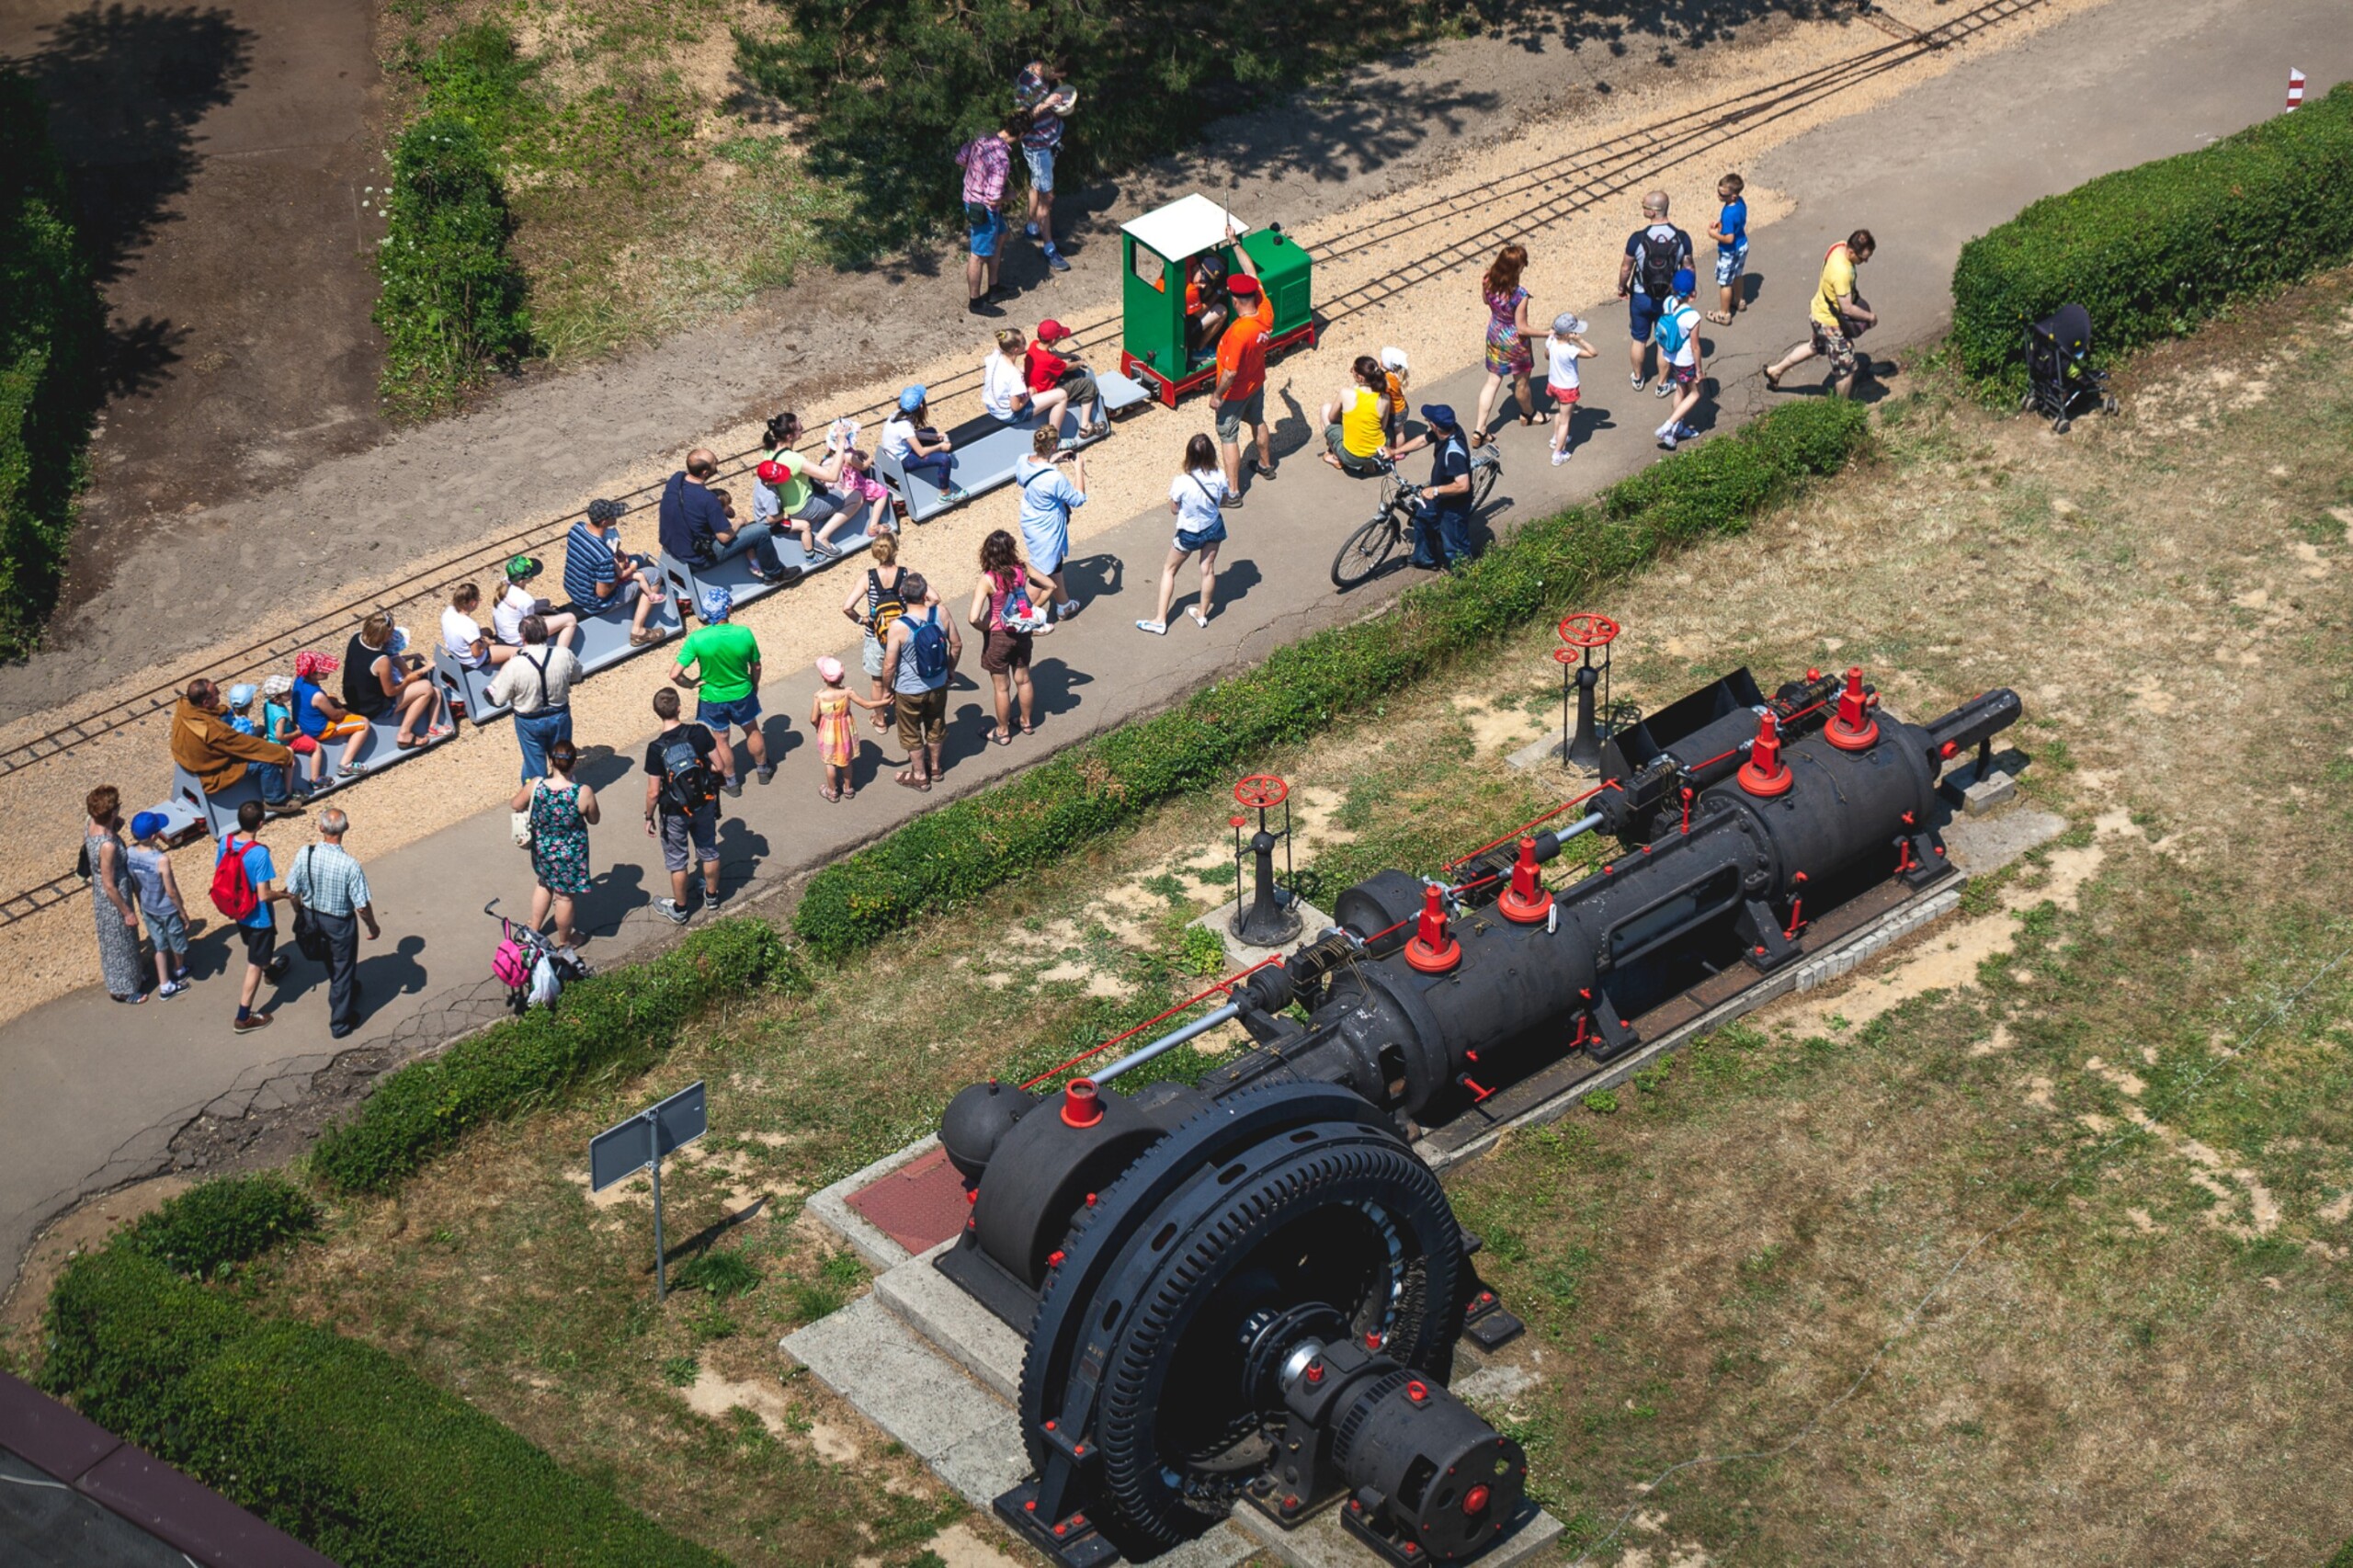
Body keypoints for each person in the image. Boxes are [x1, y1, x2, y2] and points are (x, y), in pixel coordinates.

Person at [283, 807, 379, 1039]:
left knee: (329, 959)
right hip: (339, 923)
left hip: (312, 916)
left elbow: (292, 891)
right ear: (346, 828)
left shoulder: (305, 853)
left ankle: (345, 989)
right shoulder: (350, 865)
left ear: (321, 828)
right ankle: (340, 1023)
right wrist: (372, 926)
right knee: (343, 967)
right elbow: (361, 906)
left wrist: (299, 911)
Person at [644, 687, 731, 924]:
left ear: (657, 713)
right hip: (704, 803)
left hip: (674, 811)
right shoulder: (699, 733)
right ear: (680, 708)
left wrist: (648, 817)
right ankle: (711, 897)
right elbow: (720, 766)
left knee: (677, 861)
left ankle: (680, 910)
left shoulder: (655, 749)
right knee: (709, 850)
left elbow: (653, 792)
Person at [674, 586, 771, 793]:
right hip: (742, 692)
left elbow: (675, 674)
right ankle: (763, 770)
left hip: (712, 697)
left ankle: (732, 782)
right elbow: (756, 666)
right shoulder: (744, 633)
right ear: (727, 609)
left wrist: (691, 684)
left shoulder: (697, 639)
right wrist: (754, 684)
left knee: (721, 739)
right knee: (752, 730)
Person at [1766, 228, 1879, 398]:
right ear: (1851, 252)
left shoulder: (1838, 246)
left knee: (1814, 347)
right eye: (1863, 258)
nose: (1865, 261)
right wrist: (1870, 317)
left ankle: (1775, 371)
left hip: (1818, 312)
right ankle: (1841, 409)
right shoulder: (1842, 272)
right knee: (1846, 368)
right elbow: (1847, 308)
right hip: (1830, 323)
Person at [511, 740, 597, 958]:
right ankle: (565, 942)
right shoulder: (582, 792)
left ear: (551, 761)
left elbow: (516, 804)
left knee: (544, 883)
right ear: (574, 763)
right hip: (570, 853)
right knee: (564, 897)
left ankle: (533, 928)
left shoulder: (536, 785)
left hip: (542, 848)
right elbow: (594, 819)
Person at [1138, 434, 1227, 634]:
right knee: (1207, 569)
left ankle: (1160, 620)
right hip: (1213, 527)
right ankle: (1202, 614)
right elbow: (1224, 500)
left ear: (1189, 456)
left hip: (1189, 533)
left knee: (1169, 570)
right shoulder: (1220, 476)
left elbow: (1174, 509)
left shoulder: (1182, 482)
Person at [172, 677, 301, 815]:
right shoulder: (214, 730)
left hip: (185, 759)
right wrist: (283, 753)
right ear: (206, 703)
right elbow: (246, 745)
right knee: (266, 761)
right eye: (216, 692)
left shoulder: (185, 704)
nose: (219, 693)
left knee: (248, 727)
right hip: (210, 771)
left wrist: (221, 711)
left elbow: (217, 714)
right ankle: (275, 800)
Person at [750, 412, 867, 564]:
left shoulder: (769, 451)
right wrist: (840, 443)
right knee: (857, 497)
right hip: (803, 508)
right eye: (800, 428)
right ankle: (822, 538)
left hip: (785, 505)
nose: (803, 429)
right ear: (790, 436)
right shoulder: (794, 460)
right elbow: (832, 476)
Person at [340, 612, 447, 775]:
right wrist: (409, 679)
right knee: (426, 688)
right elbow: (390, 692)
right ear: (384, 637)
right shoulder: (381, 660)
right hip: (374, 707)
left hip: (354, 698)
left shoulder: (356, 638)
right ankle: (405, 734)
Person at [881, 573, 960, 791]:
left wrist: (887, 689)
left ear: (901, 594)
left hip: (909, 689)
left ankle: (919, 776)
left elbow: (889, 666)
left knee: (910, 731)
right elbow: (957, 645)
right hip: (938, 683)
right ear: (925, 593)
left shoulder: (898, 626)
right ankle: (935, 768)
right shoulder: (941, 613)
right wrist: (950, 670)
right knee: (936, 723)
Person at [1211, 231, 1274, 500]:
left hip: (1235, 392)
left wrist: (1217, 395)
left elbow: (1230, 372)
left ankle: (1234, 492)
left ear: (1234, 301)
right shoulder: (1265, 309)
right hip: (1256, 382)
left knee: (1228, 436)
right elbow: (1251, 272)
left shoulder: (1239, 333)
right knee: (1257, 420)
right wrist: (1234, 242)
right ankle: (1266, 465)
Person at [219, 799, 289, 1033]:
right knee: (254, 963)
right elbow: (264, 895)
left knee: (258, 951)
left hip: (239, 911)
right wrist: (284, 895)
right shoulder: (259, 855)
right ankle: (244, 1017)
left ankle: (272, 970)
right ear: (260, 824)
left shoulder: (226, 842)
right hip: (259, 917)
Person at [971, 528, 1043, 745]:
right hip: (1021, 631)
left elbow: (973, 617)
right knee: (1024, 679)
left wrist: (985, 626)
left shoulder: (988, 579)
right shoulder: (1022, 568)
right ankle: (1026, 722)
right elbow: (1050, 585)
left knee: (1002, 687)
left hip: (999, 636)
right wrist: (1032, 609)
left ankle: (1002, 732)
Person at [1617, 190, 1694, 394]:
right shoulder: (1682, 238)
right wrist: (1690, 289)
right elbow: (1688, 267)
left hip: (1641, 296)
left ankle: (1638, 377)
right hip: (1669, 299)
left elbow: (1626, 268)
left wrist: (1621, 287)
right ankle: (1662, 384)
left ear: (1652, 211)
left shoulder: (1637, 239)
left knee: (1639, 339)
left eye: (1644, 206)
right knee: (1664, 342)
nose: (1642, 208)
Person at [486, 614, 579, 780]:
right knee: (562, 759)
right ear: (545, 633)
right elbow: (576, 676)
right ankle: (566, 788)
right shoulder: (564, 654)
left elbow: (498, 700)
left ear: (522, 636)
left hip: (529, 721)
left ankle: (537, 793)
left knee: (534, 766)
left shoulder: (515, 665)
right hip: (559, 715)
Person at [564, 499, 667, 646]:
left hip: (574, 589)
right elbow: (603, 593)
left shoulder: (576, 529)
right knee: (654, 574)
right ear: (604, 522)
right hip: (594, 603)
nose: (616, 517)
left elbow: (589, 555)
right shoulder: (604, 556)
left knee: (638, 559)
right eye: (613, 515)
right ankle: (638, 632)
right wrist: (621, 567)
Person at [1389, 403, 1476, 572]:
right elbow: (1423, 440)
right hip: (1437, 496)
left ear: (1434, 426)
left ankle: (1464, 576)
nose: (1428, 423)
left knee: (1455, 547)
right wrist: (1394, 452)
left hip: (1453, 505)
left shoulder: (1454, 452)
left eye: (1428, 421)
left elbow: (1463, 485)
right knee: (1422, 520)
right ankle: (1425, 560)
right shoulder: (1447, 430)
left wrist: (1435, 490)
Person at [1012, 426, 1086, 622]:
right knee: (1039, 577)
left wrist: (1051, 461)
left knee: (1054, 564)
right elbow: (1077, 499)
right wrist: (1078, 469)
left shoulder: (1023, 460)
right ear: (1053, 446)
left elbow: (1026, 478)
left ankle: (1064, 604)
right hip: (1047, 530)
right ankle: (1021, 620)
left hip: (1031, 521)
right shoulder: (1055, 478)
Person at [844, 531, 913, 734]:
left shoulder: (868, 577)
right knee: (903, 675)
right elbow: (932, 598)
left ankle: (881, 720)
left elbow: (847, 607)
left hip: (876, 635)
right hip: (902, 632)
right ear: (895, 550)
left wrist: (863, 620)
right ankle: (906, 716)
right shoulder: (906, 574)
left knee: (877, 680)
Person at [85, 786, 145, 1004]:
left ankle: (133, 976)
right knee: (120, 943)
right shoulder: (107, 846)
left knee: (124, 941)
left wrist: (114, 824)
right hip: (114, 899)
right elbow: (109, 885)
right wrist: (127, 911)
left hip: (108, 896)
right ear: (112, 812)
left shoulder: (90, 823)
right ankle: (124, 989)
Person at [1472, 244, 1538, 445]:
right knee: (1521, 382)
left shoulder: (1487, 279)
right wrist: (1548, 333)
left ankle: (1480, 429)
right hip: (1515, 343)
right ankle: (1529, 414)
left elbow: (1486, 302)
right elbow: (1522, 329)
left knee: (1492, 382)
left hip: (1494, 334)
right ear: (1516, 268)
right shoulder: (1520, 295)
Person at [1015, 61, 1077, 273]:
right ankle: (1049, 248)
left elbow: (1054, 74)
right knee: (1047, 197)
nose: (1052, 73)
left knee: (1036, 185)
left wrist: (1059, 88)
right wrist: (1046, 103)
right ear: (1035, 66)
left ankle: (1032, 227)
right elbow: (1021, 120)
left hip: (1050, 140)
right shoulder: (1024, 87)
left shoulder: (1042, 70)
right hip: (1038, 148)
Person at [958, 117, 1022, 316]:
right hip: (984, 209)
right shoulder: (1001, 160)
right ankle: (975, 302)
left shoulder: (983, 135)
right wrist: (1010, 196)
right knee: (978, 255)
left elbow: (960, 158)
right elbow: (994, 199)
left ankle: (994, 289)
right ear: (1021, 135)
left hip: (971, 197)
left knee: (1002, 235)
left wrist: (976, 177)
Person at [125, 811, 190, 999]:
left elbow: (134, 883)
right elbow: (171, 891)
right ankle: (179, 969)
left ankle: (165, 984)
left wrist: (140, 902)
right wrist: (182, 911)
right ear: (154, 836)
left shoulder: (130, 853)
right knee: (176, 940)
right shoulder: (161, 860)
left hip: (148, 907)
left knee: (159, 945)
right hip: (167, 909)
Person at [810, 656, 886, 801]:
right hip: (845, 731)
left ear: (823, 678)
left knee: (830, 763)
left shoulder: (820, 696)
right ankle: (848, 788)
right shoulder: (847, 692)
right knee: (846, 761)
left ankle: (832, 791)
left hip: (828, 733)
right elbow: (867, 705)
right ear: (842, 677)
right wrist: (885, 701)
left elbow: (813, 719)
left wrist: (817, 726)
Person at [289, 651, 364, 793]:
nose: (327, 671)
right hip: (320, 729)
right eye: (323, 669)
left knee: (331, 698)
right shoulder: (317, 696)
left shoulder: (299, 680)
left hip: (303, 723)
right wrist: (344, 710)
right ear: (313, 674)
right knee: (363, 723)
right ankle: (346, 764)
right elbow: (335, 715)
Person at [881, 386, 966, 507]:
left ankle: (933, 440)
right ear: (921, 406)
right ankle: (945, 495)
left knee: (931, 431)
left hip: (891, 455)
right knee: (944, 460)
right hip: (902, 461)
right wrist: (940, 447)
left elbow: (911, 435)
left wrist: (933, 437)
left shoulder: (896, 415)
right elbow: (921, 452)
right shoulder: (904, 426)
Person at [1653, 270, 1707, 450]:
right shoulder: (1693, 317)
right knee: (1697, 393)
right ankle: (1668, 427)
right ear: (1693, 294)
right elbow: (1695, 347)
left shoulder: (1668, 302)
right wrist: (1699, 370)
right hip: (1686, 361)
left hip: (1672, 357)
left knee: (1681, 390)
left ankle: (1678, 428)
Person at [1026, 321, 1107, 437]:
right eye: (1059, 337)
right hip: (1047, 391)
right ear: (1053, 341)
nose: (1060, 339)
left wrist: (1069, 356)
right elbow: (1069, 367)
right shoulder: (1049, 360)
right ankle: (1085, 426)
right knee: (1088, 385)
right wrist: (1080, 363)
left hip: (1034, 385)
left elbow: (1054, 354)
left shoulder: (1034, 345)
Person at [983, 327, 1072, 432]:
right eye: (1024, 341)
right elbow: (1015, 407)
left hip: (992, 406)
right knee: (1062, 395)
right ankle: (1053, 437)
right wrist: (1029, 393)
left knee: (1023, 369)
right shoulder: (1014, 375)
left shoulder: (994, 356)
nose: (1026, 342)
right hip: (1009, 415)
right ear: (1016, 350)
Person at [657, 449, 736, 565]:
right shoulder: (708, 498)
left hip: (671, 547)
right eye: (715, 462)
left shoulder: (676, 479)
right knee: (759, 532)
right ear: (705, 473)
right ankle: (764, 571)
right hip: (696, 558)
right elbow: (724, 537)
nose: (717, 462)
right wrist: (740, 522)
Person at [1322, 357, 1393, 476]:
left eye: (1353, 370)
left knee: (1325, 409)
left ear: (1360, 378)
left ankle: (1336, 457)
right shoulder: (1385, 398)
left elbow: (1331, 418)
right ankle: (1369, 465)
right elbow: (1383, 427)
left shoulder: (1346, 393)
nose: (1351, 371)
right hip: (1378, 453)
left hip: (1352, 457)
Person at [493, 556, 579, 654]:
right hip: (518, 639)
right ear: (521, 581)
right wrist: (551, 617)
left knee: (545, 602)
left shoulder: (505, 583)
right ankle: (560, 655)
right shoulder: (525, 599)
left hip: (505, 633)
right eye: (531, 574)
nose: (533, 576)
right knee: (570, 619)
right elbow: (531, 624)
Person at [1544, 313, 1597, 465]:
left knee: (1560, 413)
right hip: (1567, 388)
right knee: (1565, 422)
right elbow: (1593, 353)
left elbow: (1547, 355)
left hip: (1554, 384)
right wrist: (1580, 341)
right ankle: (1558, 454)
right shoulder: (1570, 350)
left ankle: (1556, 438)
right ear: (1568, 334)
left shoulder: (1551, 341)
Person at [1705, 173, 1748, 326]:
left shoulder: (1729, 214)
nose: (1718, 195)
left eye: (1722, 194)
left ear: (1733, 196)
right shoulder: (1740, 203)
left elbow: (1729, 238)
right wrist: (1720, 224)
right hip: (1742, 245)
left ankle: (1724, 314)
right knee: (1738, 274)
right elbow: (1735, 224)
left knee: (1725, 282)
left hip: (1729, 251)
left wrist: (1714, 234)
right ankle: (1739, 300)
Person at [441, 583, 507, 671]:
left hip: (456, 654)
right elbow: (477, 653)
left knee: (487, 631)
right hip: (472, 662)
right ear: (472, 603)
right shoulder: (470, 625)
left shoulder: (448, 611)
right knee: (516, 651)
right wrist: (486, 643)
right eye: (479, 599)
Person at [1379, 347, 1412, 447]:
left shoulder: (1387, 378)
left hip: (1396, 411)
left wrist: (1378, 369)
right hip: (1402, 407)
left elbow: (1380, 385)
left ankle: (1399, 450)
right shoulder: (1397, 374)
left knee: (1399, 432)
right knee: (1399, 429)